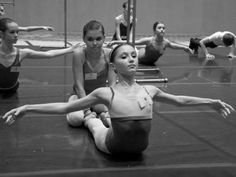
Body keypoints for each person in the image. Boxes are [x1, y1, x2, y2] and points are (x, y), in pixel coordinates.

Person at [2, 43, 234, 156]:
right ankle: (93, 118)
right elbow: (65, 106)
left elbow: (180, 100)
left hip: (139, 149)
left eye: (134, 55)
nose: (132, 59)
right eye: (124, 57)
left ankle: (105, 118)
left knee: (112, 120)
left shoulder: (150, 90)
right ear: (114, 66)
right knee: (94, 125)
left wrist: (210, 102)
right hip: (111, 147)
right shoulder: (106, 93)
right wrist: (27, 107)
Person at [0, 18, 80, 94]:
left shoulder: (22, 53)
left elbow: (49, 54)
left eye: (17, 32)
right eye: (12, 32)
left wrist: (70, 49)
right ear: (1, 33)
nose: (16, 35)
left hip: (13, 89)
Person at [66, 20, 116, 127]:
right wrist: (86, 110)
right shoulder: (79, 54)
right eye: (90, 39)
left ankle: (98, 114)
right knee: (76, 119)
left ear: (104, 38)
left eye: (98, 39)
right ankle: (94, 115)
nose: (94, 43)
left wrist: (110, 108)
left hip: (99, 97)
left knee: (117, 113)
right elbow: (79, 86)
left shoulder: (110, 55)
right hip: (79, 96)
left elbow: (112, 85)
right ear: (83, 39)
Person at [109, 21, 193, 66]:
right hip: (138, 57)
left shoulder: (166, 42)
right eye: (159, 28)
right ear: (154, 31)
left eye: (163, 28)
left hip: (150, 63)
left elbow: (174, 46)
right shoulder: (149, 40)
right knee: (128, 49)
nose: (162, 30)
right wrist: (116, 42)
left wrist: (185, 48)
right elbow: (131, 42)